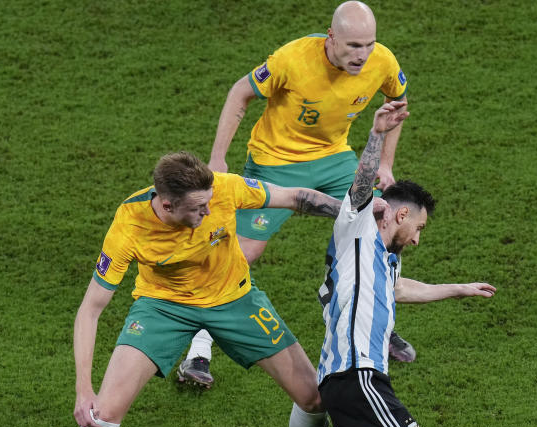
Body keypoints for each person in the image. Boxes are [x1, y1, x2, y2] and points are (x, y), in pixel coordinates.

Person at [38, 151, 347, 427]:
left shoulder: (223, 188)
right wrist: (82, 389)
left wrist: (357, 210)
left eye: (208, 203)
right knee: (100, 417)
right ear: (165, 205)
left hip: (235, 300)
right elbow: (90, 308)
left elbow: (296, 197)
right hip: (164, 309)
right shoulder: (129, 225)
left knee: (316, 398)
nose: (208, 211)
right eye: (197, 208)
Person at [272, 102, 496, 427]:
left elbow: (399, 289)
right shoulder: (356, 228)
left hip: (352, 381)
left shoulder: (380, 259)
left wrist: (456, 289)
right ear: (397, 213)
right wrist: (375, 134)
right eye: (416, 227)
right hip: (358, 379)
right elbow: (359, 186)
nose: (417, 238)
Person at [178, 0, 416, 397]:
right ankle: (198, 349)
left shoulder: (383, 62)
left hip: (334, 159)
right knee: (242, 252)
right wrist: (218, 158)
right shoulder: (292, 59)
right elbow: (241, 92)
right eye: (354, 45)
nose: (363, 55)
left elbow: (399, 105)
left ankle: (377, 322)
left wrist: (386, 163)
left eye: (369, 45)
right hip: (274, 162)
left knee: (382, 220)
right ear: (331, 36)